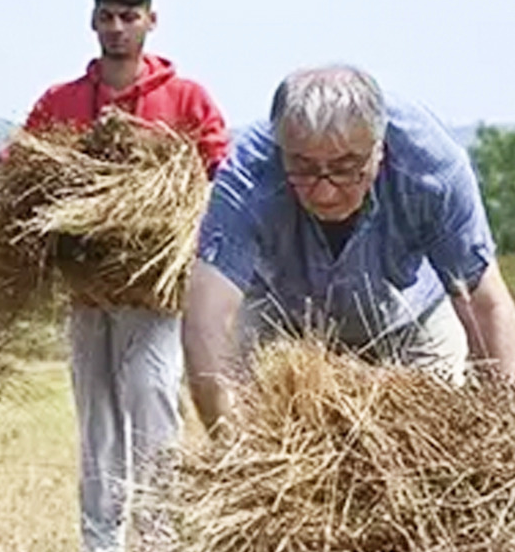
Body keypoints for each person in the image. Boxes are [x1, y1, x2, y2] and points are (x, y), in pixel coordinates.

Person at [20, 0, 229, 552]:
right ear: (93, 19)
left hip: (154, 293)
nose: (117, 28)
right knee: (98, 419)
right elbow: (22, 163)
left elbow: (220, 165)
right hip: (87, 294)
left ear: (151, 21)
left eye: (129, 17)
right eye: (107, 16)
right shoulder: (61, 103)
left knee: (154, 402)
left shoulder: (186, 98)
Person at [185, 64, 515, 435]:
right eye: (303, 168)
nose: (324, 192)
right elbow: (206, 319)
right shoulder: (247, 174)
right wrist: (227, 439)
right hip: (285, 318)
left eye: (345, 168)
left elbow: (486, 303)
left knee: (430, 450)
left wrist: (502, 430)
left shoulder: (432, 169)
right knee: (271, 444)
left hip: (412, 318)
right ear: (282, 148)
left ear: (379, 149)